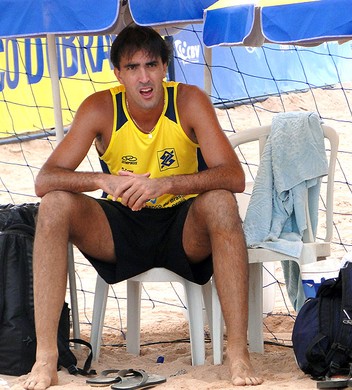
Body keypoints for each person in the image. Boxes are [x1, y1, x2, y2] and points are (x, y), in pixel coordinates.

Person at [22, 25, 263, 389]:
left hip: (183, 227)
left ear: (165, 67)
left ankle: (237, 351)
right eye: (132, 68)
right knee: (54, 206)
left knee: (221, 202)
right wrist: (103, 181)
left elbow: (233, 176)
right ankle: (46, 359)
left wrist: (165, 183)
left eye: (151, 64)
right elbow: (45, 179)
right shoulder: (100, 107)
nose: (144, 77)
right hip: (123, 225)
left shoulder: (189, 100)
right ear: (118, 75)